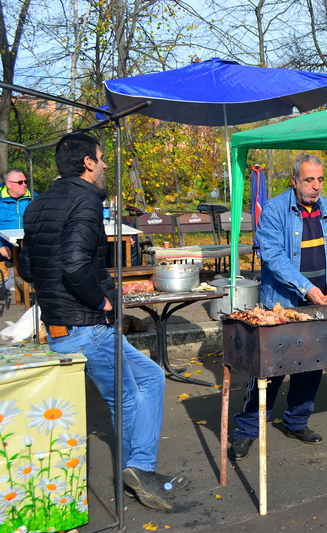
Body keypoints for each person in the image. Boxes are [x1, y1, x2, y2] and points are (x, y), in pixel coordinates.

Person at [19, 133, 187, 510]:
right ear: (88, 163)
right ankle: (140, 473)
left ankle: (140, 468)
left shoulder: (37, 205)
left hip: (67, 325)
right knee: (126, 401)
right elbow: (76, 264)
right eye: (102, 157)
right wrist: (103, 302)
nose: (106, 164)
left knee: (152, 376)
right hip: (86, 327)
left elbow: (28, 267)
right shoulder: (85, 201)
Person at [229, 153, 327, 461]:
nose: (315, 187)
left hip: (321, 301)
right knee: (269, 369)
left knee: (311, 364)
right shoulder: (274, 210)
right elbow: (273, 255)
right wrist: (307, 288)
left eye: (320, 180)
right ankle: (246, 430)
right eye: (309, 180)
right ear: (294, 180)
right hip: (283, 303)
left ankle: (297, 422)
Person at [0, 169, 35, 292]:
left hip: (25, 244)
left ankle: (27, 289)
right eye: (20, 182)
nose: (24, 185)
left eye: (25, 181)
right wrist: (0, 245)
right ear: (9, 184)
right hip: (3, 244)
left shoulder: (33, 198)